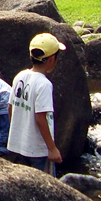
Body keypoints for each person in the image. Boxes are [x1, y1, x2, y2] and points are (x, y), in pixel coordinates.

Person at [7, 33, 66, 175]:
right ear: (52, 59)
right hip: (38, 150)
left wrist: (17, 131)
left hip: (19, 145)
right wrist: (52, 148)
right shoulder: (44, 84)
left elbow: (10, 107)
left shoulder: (20, 76)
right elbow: (41, 118)